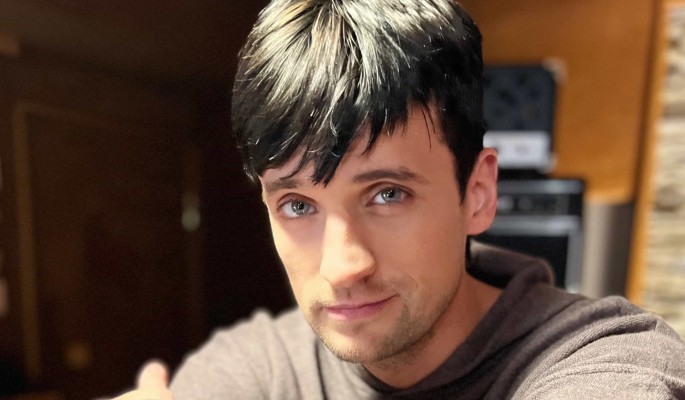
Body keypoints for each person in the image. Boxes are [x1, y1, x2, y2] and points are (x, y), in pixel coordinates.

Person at [113, 0, 685, 399]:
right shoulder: (261, 366)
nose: (343, 268)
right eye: (298, 205)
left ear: (477, 192)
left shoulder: (602, 360)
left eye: (388, 194)